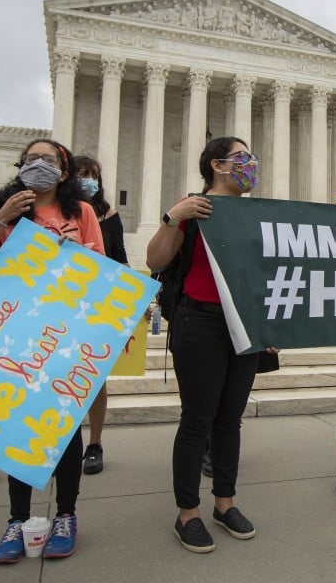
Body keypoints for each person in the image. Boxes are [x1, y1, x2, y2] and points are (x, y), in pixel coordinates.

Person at [0, 139, 104, 563]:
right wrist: (3, 219)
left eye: (48, 160)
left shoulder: (80, 212)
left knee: (62, 429)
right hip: (14, 330)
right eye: (31, 159)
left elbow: (102, 269)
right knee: (15, 425)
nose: (39, 165)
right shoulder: (5, 211)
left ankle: (66, 514)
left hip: (63, 331)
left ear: (64, 171)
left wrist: (77, 254)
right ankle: (17, 519)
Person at [145, 136, 267, 553]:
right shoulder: (193, 208)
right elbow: (155, 260)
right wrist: (171, 218)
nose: (250, 163)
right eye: (241, 157)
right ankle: (187, 514)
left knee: (230, 421)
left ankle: (225, 504)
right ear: (217, 165)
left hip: (245, 324)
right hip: (200, 319)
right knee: (197, 420)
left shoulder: (257, 214)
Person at [75, 155, 129, 475]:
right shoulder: (54, 213)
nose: (87, 180)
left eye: (92, 174)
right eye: (81, 174)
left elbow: (119, 259)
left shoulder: (109, 215)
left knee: (95, 380)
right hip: (57, 305)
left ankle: (94, 443)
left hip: (95, 305)